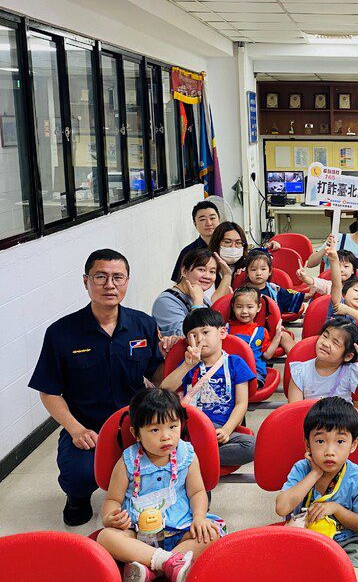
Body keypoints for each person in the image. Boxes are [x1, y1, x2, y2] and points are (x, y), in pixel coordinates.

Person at [29, 249, 180, 526]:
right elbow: (49, 391)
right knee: (79, 474)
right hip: (88, 427)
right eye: (101, 277)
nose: (110, 285)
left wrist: (173, 355)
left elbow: (158, 376)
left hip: (135, 422)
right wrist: (75, 429)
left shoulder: (143, 324)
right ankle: (78, 495)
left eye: (117, 277)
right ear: (86, 281)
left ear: (127, 281)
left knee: (167, 458)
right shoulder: (61, 333)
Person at [96, 388, 224, 582]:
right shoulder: (128, 462)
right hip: (137, 534)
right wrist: (110, 518)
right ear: (136, 433)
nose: (166, 436)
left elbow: (197, 492)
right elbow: (113, 499)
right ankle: (170, 563)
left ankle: (151, 568)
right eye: (155, 430)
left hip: (180, 528)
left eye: (173, 426)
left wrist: (199, 517)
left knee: (212, 534)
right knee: (106, 537)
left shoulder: (186, 455)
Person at [276, 397, 358, 582]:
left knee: (355, 577)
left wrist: (336, 509)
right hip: (304, 538)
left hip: (347, 542)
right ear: (307, 444)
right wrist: (315, 474)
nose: (330, 450)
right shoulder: (301, 469)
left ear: (353, 444)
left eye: (340, 441)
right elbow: (282, 508)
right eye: (320, 441)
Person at [161, 309, 256, 469]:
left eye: (205, 332)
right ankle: (196, 455)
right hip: (188, 428)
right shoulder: (188, 364)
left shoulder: (235, 363)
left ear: (222, 332)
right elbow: (164, 389)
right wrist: (187, 365)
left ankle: (188, 458)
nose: (200, 339)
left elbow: (241, 403)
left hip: (219, 429)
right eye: (193, 335)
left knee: (251, 446)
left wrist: (227, 429)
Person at [286, 318, 358, 406]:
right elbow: (295, 410)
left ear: (348, 356)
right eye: (325, 336)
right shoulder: (299, 372)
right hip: (311, 425)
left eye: (335, 343)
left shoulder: (349, 371)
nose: (325, 343)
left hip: (342, 423)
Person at [153, 249, 231, 338]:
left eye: (212, 272)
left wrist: (227, 275)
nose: (207, 276)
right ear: (184, 271)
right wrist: (197, 305)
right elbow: (185, 337)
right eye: (201, 269)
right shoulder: (166, 302)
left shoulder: (199, 295)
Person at [227, 286, 294, 383]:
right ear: (233, 307)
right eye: (239, 307)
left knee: (243, 383)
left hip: (254, 372)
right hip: (231, 370)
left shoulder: (260, 331)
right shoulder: (226, 328)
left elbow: (267, 355)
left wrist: (277, 336)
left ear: (258, 307)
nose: (244, 311)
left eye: (250, 307)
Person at [328, 240, 358, 334]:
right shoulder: (338, 304)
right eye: (356, 290)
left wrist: (347, 310)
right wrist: (334, 260)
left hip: (352, 348)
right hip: (332, 345)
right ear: (344, 294)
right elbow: (336, 285)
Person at [243, 250, 304, 317]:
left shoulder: (274, 289)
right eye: (253, 270)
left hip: (273, 326)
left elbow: (292, 297)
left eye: (263, 269)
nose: (258, 273)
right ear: (247, 273)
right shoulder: (242, 292)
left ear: (269, 271)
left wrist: (310, 293)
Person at [170, 201, 220, 284]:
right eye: (202, 219)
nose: (208, 223)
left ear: (219, 219)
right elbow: (179, 282)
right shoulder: (188, 252)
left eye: (212, 218)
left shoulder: (229, 246)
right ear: (195, 224)